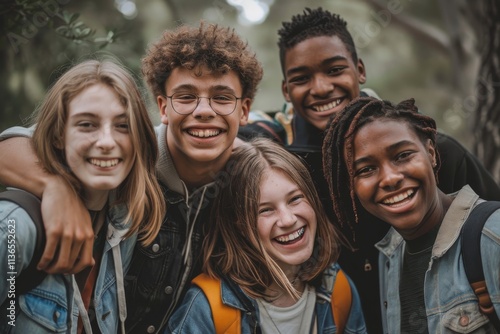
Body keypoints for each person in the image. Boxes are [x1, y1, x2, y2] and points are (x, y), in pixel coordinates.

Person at [239, 7, 500, 333]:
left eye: (334, 70)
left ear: (359, 70)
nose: (321, 88)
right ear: (286, 91)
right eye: (302, 78)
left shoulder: (430, 150)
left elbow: (488, 225)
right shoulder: (283, 167)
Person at [0, 22, 263, 333]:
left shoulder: (252, 177)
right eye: (186, 96)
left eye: (222, 98)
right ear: (163, 107)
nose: (204, 110)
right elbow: (12, 145)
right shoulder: (128, 160)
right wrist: (55, 187)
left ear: (243, 110)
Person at [0, 59, 165, 333]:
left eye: (123, 126)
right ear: (57, 136)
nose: (106, 141)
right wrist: (53, 185)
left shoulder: (124, 223)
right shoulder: (15, 227)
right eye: (87, 124)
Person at [322, 96, 500, 333]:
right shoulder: (390, 257)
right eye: (366, 169)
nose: (390, 178)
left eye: (402, 155)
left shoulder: (492, 237)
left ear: (431, 153)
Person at [167, 137, 367, 333]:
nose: (288, 220)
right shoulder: (207, 309)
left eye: (295, 199)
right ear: (240, 225)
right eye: (265, 210)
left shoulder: (337, 287)